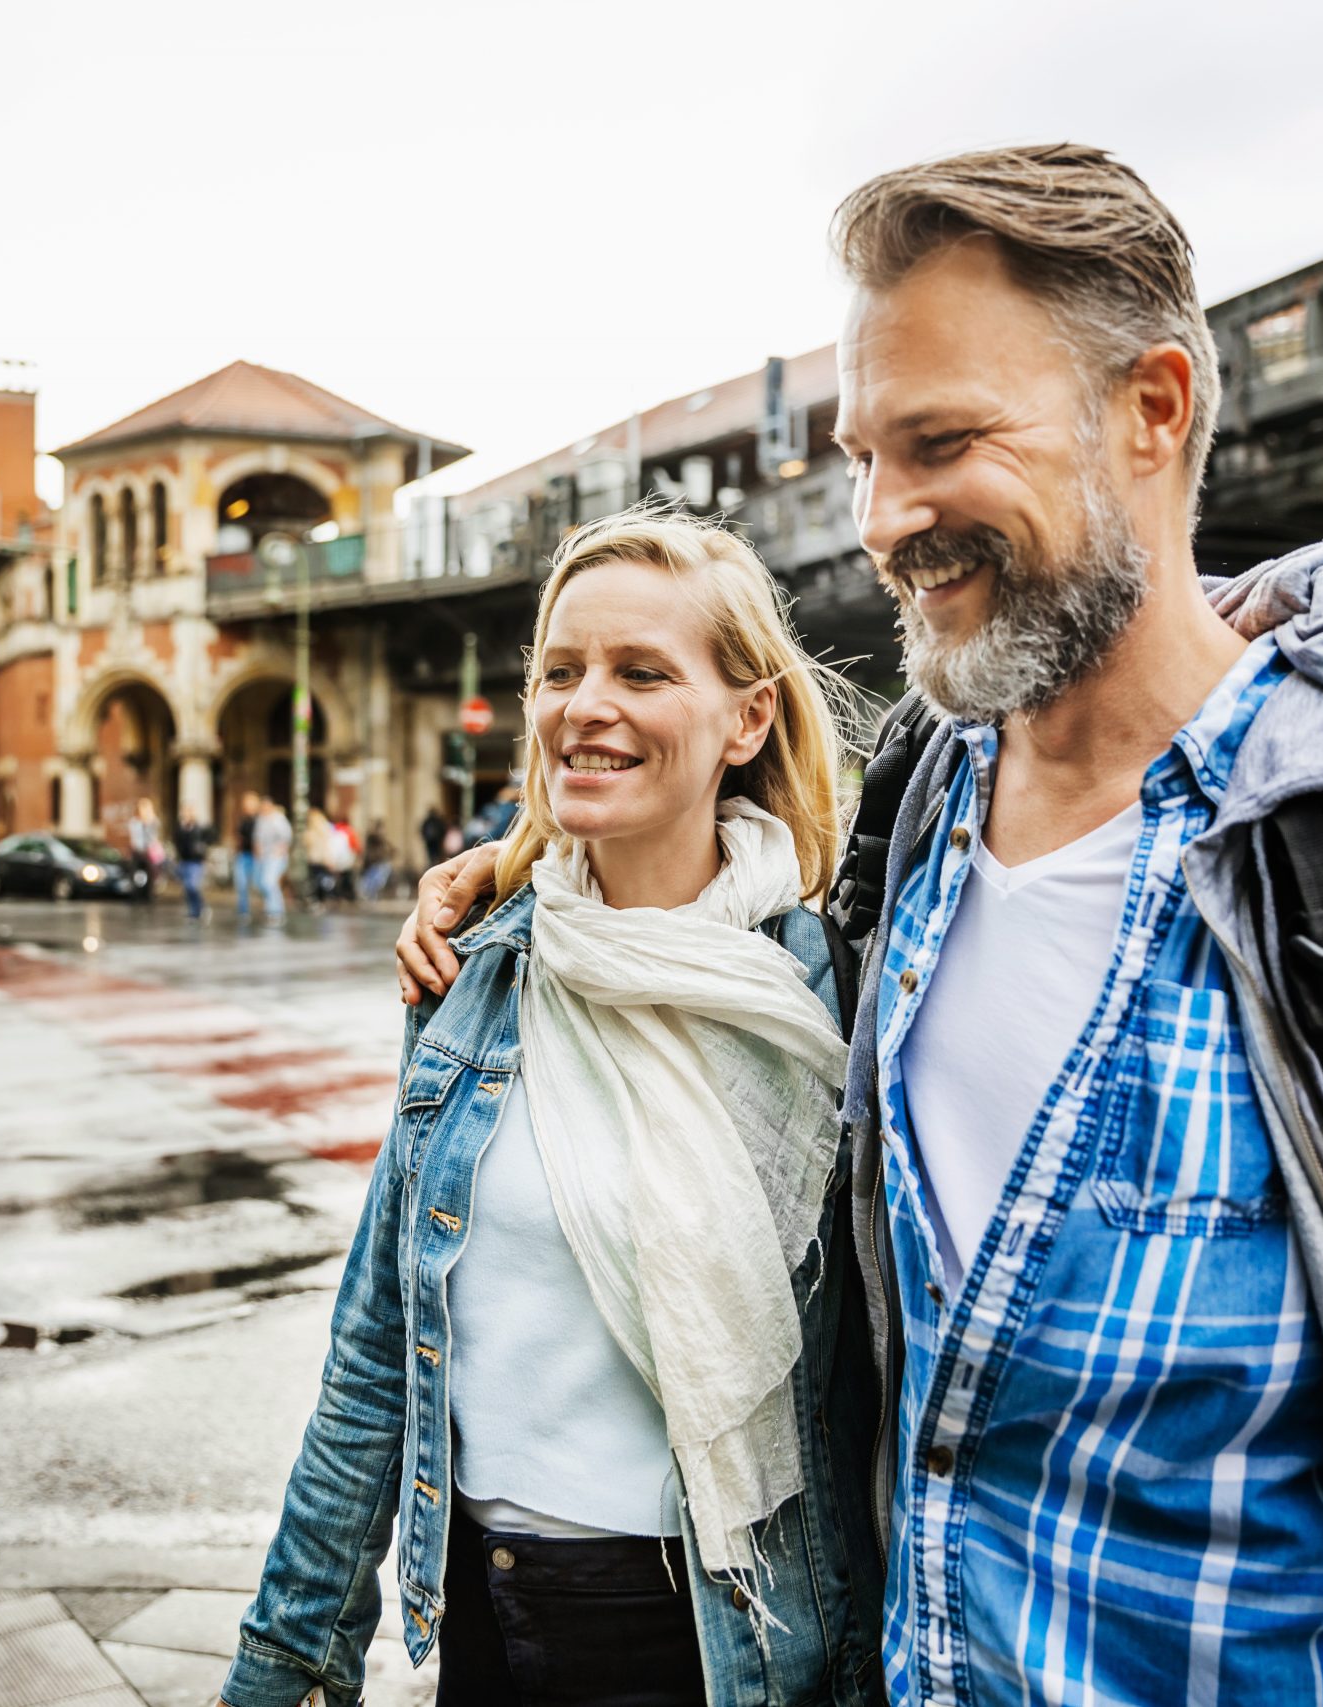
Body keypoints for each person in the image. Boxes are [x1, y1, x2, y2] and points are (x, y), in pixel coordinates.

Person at [396, 147, 1323, 1706]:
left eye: (943, 442)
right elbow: (711, 921)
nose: (879, 517)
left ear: (1156, 409)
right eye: (864, 453)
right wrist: (517, 879)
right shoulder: (922, 801)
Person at [223, 509, 882, 1707]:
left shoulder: (831, 992)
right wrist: (287, 1657)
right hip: (482, 1608)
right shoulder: (477, 970)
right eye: (561, 670)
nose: (586, 706)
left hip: (726, 1642)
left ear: (748, 717)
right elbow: (376, 1347)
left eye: (642, 672)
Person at [249, 795, 291, 923]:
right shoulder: (261, 820)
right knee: (260, 883)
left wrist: (280, 851)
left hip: (275, 856)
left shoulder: (278, 819)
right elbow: (257, 837)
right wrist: (257, 851)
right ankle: (270, 908)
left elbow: (286, 837)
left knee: (269, 882)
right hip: (263, 857)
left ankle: (276, 911)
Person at [173, 809, 212, 922]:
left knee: (192, 886)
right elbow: (178, 844)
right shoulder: (180, 829)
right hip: (184, 860)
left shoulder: (199, 828)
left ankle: (201, 907)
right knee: (186, 889)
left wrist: (204, 857)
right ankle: (193, 912)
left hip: (196, 861)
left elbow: (207, 841)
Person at [233, 790, 265, 920]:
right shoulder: (242, 820)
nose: (247, 806)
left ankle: (268, 907)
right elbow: (239, 837)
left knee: (260, 884)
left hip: (256, 856)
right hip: (243, 855)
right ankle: (243, 910)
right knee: (241, 884)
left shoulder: (261, 820)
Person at [418, 805, 450, 874]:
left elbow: (422, 830)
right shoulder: (437, 820)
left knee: (432, 856)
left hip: (430, 842)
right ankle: (435, 868)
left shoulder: (428, 821)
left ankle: (433, 868)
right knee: (436, 856)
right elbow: (443, 830)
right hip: (435, 842)